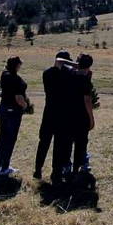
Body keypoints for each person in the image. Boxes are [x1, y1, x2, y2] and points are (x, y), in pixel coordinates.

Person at [34, 52, 76, 183]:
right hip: (60, 114)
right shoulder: (65, 74)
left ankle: (40, 169)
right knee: (55, 144)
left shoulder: (47, 73)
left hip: (49, 113)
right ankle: (53, 172)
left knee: (45, 143)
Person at [0, 55, 28, 177]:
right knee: (10, 139)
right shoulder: (16, 79)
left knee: (3, 138)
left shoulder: (4, 74)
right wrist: (25, 105)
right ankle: (5, 167)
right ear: (17, 65)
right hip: (13, 112)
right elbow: (18, 98)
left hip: (3, 109)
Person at [68, 53, 98, 179]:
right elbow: (87, 100)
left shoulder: (70, 75)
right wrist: (91, 118)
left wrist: (77, 65)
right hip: (82, 116)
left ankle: (67, 166)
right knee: (81, 143)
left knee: (69, 141)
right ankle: (77, 168)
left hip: (69, 113)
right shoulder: (85, 80)